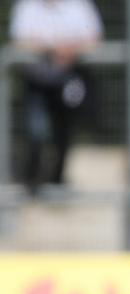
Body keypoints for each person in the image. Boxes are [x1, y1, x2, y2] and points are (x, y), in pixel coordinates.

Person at [9, 0, 103, 194]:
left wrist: (70, 49)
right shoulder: (26, 6)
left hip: (67, 82)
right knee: (37, 132)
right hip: (37, 82)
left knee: (64, 135)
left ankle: (56, 181)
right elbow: (18, 41)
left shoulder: (79, 5)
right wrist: (52, 49)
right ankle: (32, 181)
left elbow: (95, 39)